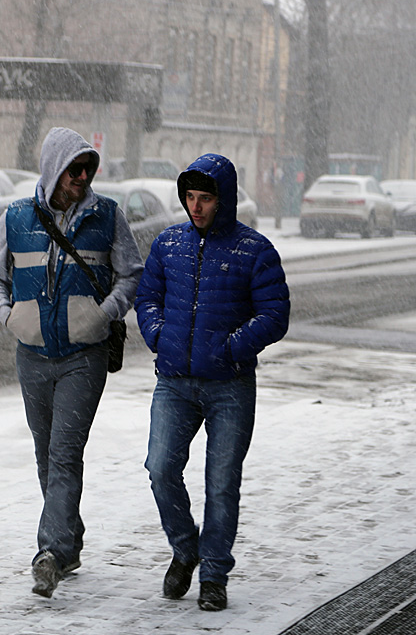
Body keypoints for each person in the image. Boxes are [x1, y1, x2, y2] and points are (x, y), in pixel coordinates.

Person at [0, 127, 143, 598]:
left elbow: (131, 274)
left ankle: (49, 553)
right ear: (54, 169)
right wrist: (8, 315)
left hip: (83, 357)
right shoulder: (15, 217)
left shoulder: (107, 216)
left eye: (88, 169)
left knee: (65, 453)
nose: (83, 177)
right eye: (75, 169)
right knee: (44, 454)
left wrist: (104, 314)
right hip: (31, 355)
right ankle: (69, 542)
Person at [135, 153, 290, 612]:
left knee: (221, 483)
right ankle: (186, 550)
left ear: (223, 200)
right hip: (176, 382)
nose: (196, 207)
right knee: (160, 468)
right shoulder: (168, 245)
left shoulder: (254, 251)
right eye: (189, 198)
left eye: (205, 198)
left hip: (230, 386)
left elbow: (275, 315)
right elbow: (147, 298)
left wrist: (231, 347)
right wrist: (160, 336)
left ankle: (214, 574)